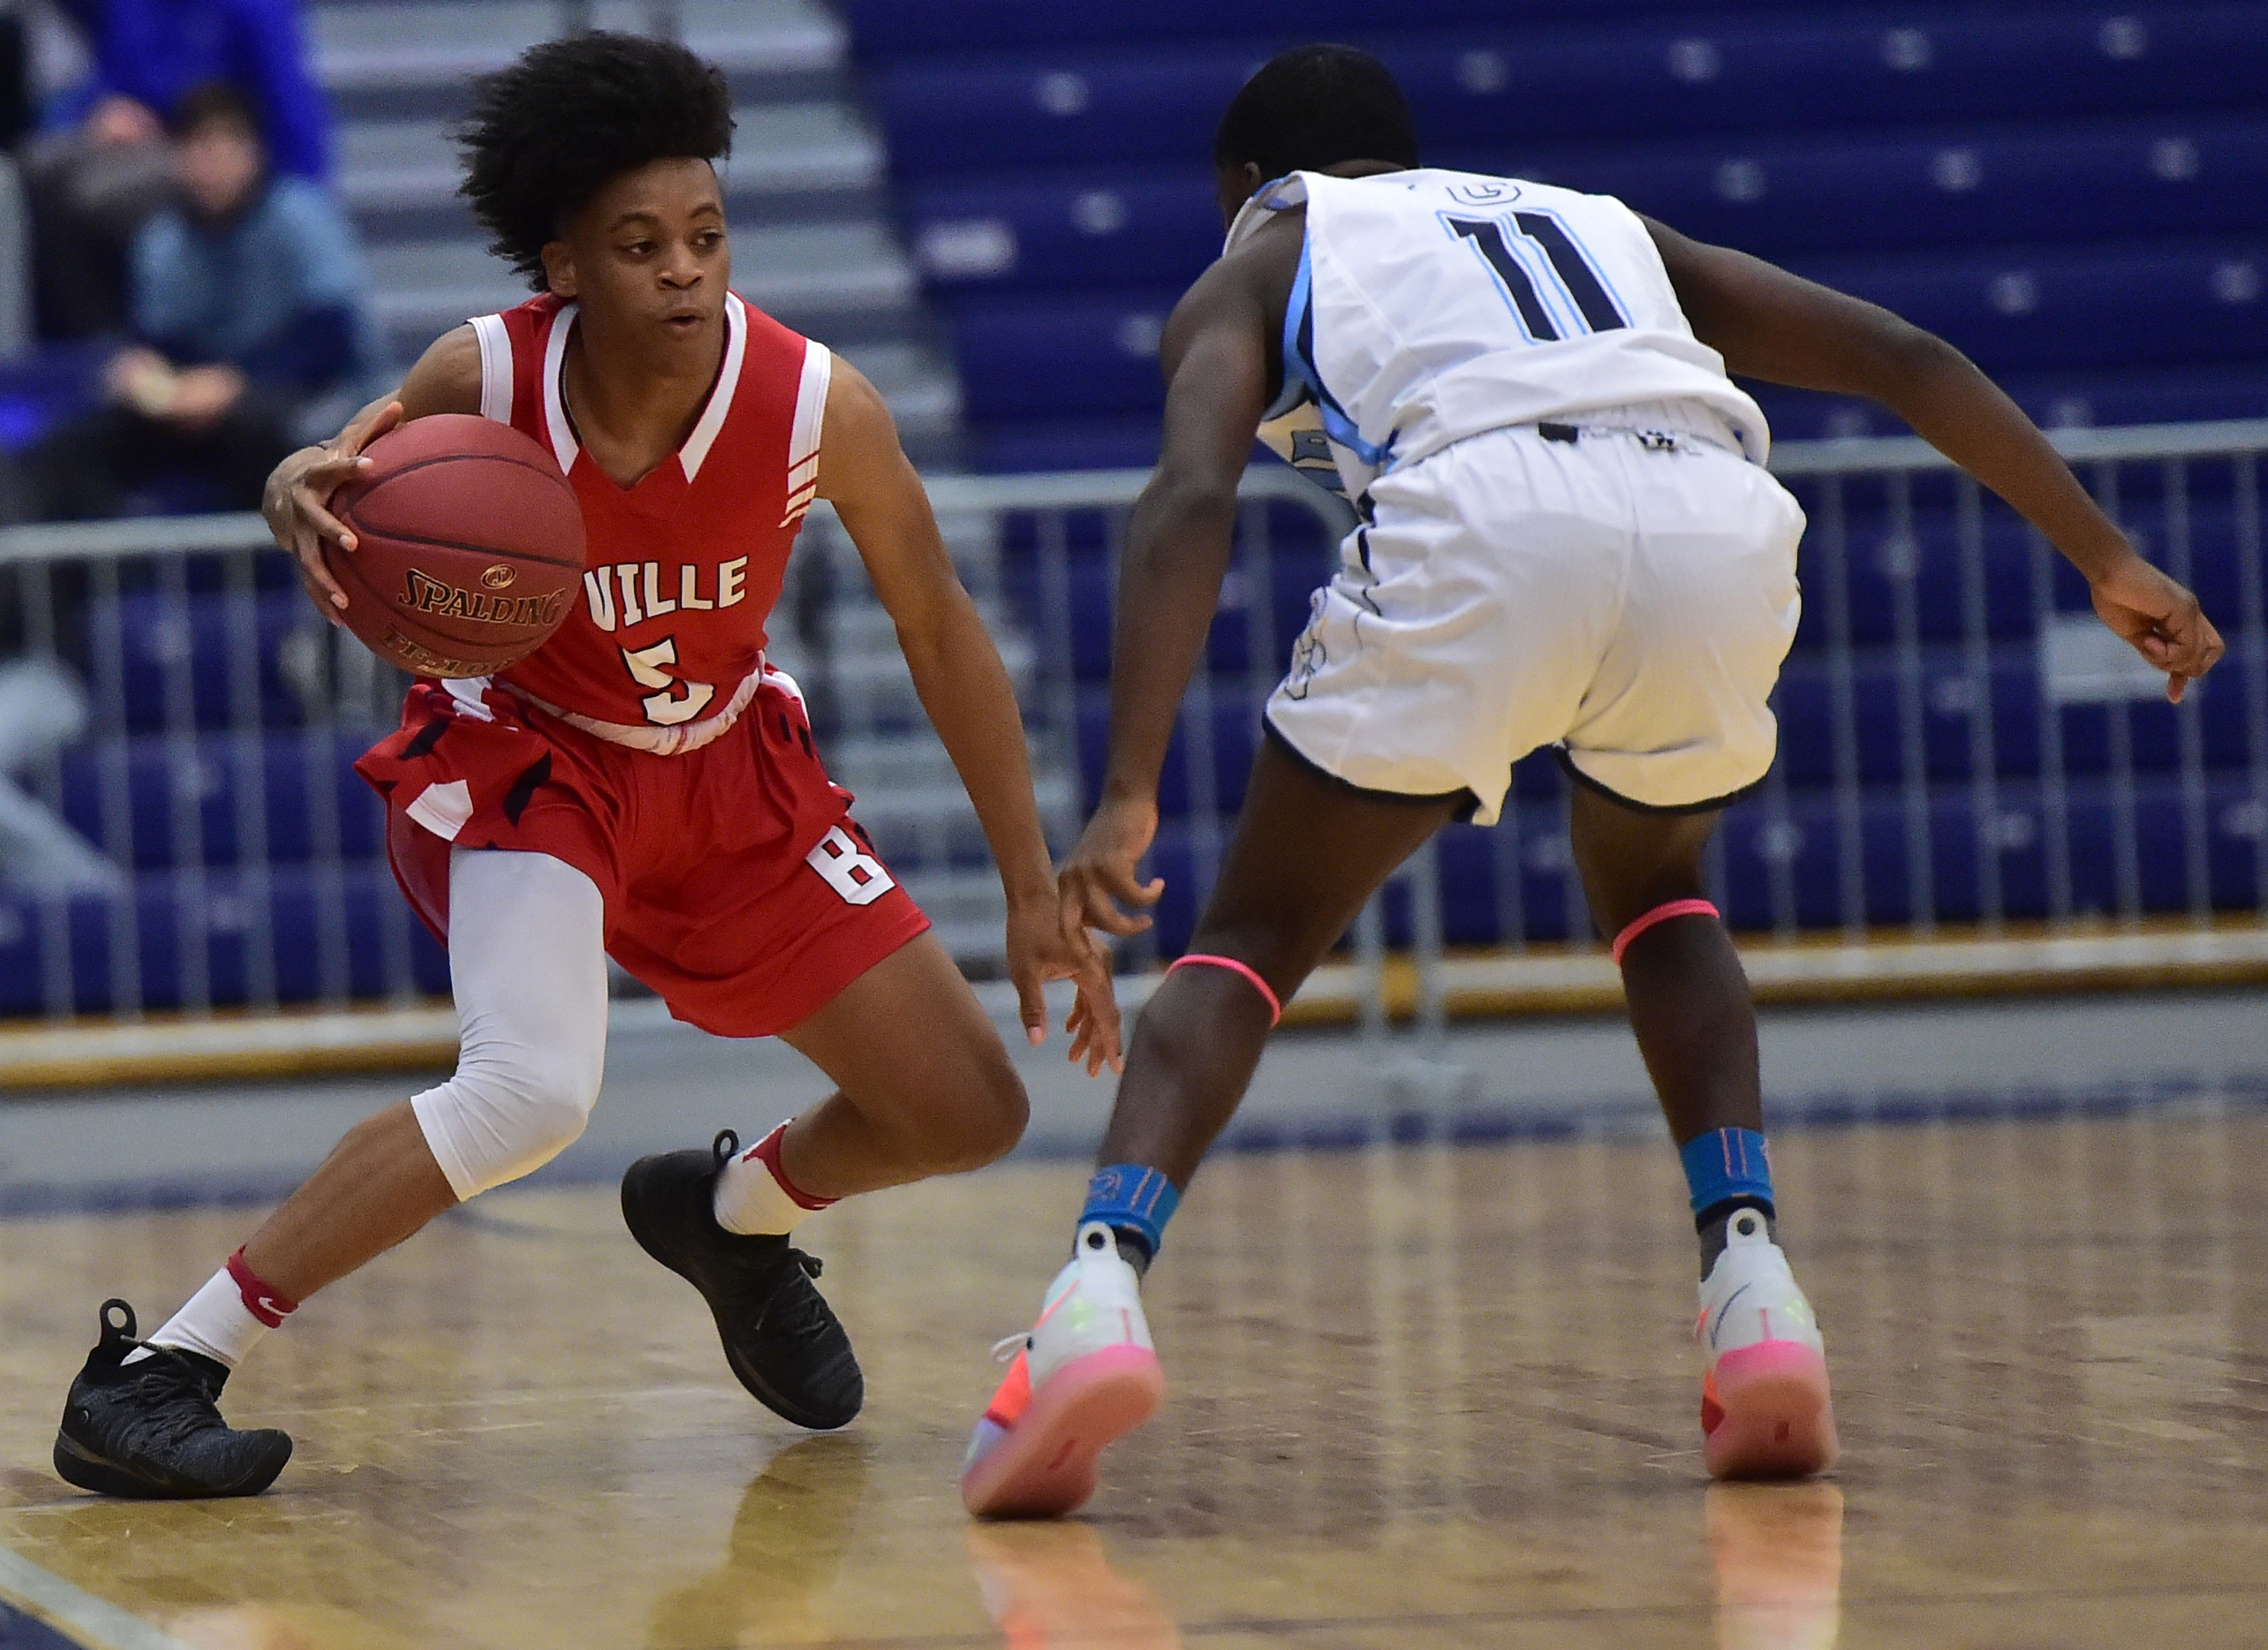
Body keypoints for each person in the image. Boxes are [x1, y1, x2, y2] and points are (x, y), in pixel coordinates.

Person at [959, 45, 2226, 1518]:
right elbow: (1902, 355)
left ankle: (1096, 1289)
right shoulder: (1603, 224)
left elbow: (1190, 492)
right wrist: (2104, 555)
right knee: (1658, 889)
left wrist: (1126, 787)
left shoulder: (1267, 254)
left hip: (1484, 506)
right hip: (1709, 513)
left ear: (1248, 182)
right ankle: (1751, 1285)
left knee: (1252, 936)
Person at [50, 32, 1120, 1500]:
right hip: (533, 761)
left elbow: (937, 626)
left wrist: (1027, 883)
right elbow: (343, 487)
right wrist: (290, 484)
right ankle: (161, 1370)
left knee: (968, 1110)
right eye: (639, 245)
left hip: (730, 771)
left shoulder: (818, 406)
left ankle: (730, 1217)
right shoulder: (483, 373)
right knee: (529, 1094)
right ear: (563, 266)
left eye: (706, 236)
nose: (684, 271)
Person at [9, 81, 374, 521]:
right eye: (197, 148)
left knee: (259, 433)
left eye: (224, 146)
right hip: (190, 405)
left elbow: (329, 337)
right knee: (66, 451)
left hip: (300, 397)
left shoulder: (302, 217)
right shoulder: (163, 239)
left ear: (255, 151)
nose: (211, 164)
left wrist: (235, 383)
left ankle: (272, 558)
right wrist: (144, 370)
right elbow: (162, 341)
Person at [28, 0, 330, 340]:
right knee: (37, 167)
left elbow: (290, 105)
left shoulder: (255, 10)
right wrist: (100, 111)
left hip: (213, 150)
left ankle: (122, 336)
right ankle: (84, 343)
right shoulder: (129, 9)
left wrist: (309, 208)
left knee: (92, 195)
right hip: (136, 142)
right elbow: (106, 77)